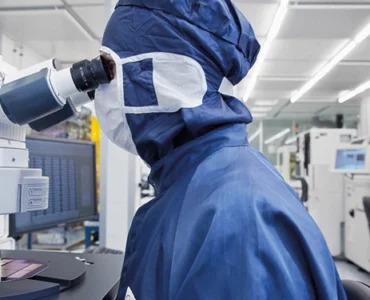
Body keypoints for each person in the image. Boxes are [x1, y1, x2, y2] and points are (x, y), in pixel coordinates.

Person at [94, 0, 347, 299]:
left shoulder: (235, 220)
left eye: (108, 71)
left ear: (162, 76)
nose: (98, 91)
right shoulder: (200, 181)